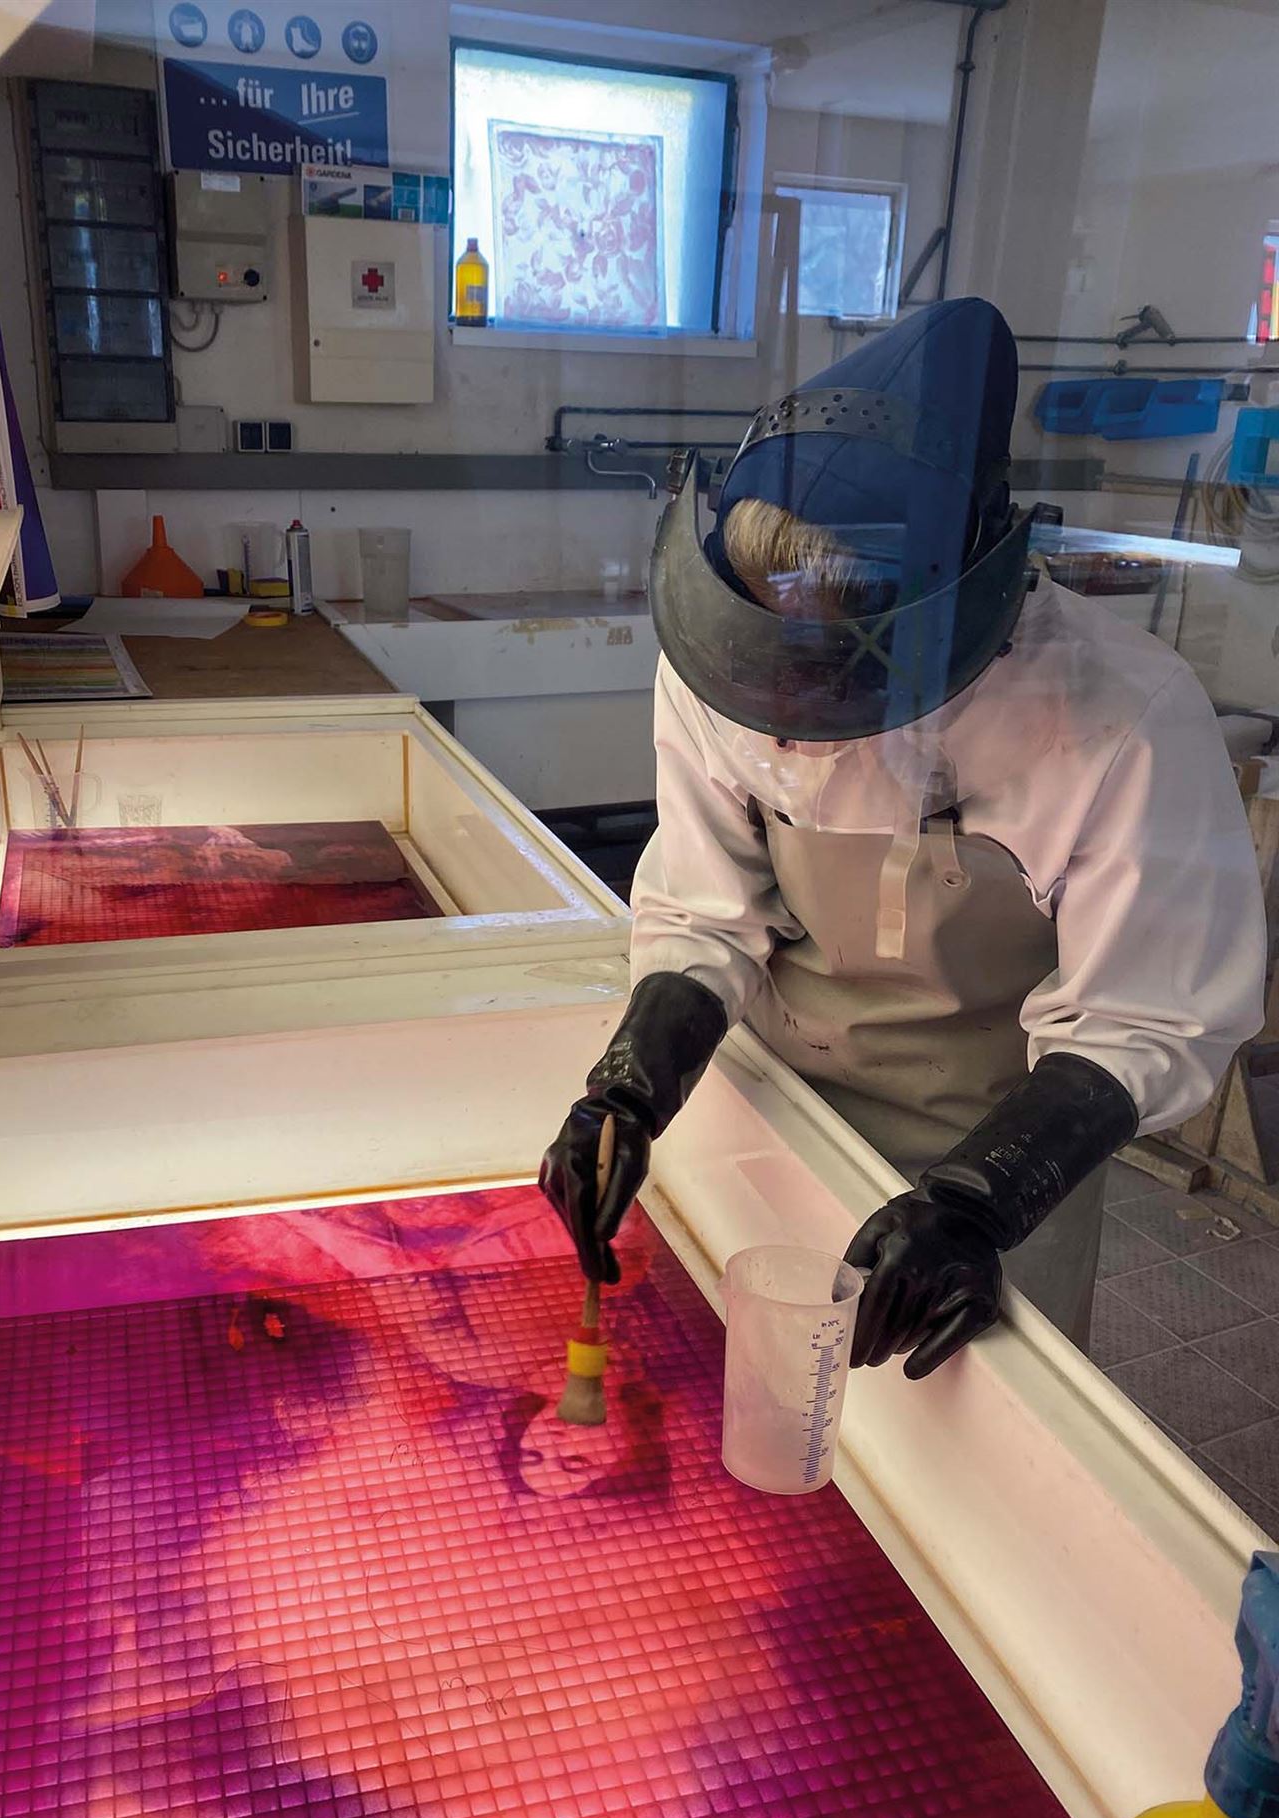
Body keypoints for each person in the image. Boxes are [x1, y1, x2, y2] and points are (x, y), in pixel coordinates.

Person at [542, 297, 1266, 1378]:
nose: (784, 723)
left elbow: (1147, 1018)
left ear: (952, 612)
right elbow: (704, 908)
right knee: (753, 1394)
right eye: (765, 668)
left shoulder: (1122, 718)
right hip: (780, 1108)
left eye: (826, 681)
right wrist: (629, 1089)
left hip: (1005, 1160)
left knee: (971, 1443)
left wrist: (973, 1207)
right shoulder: (724, 654)